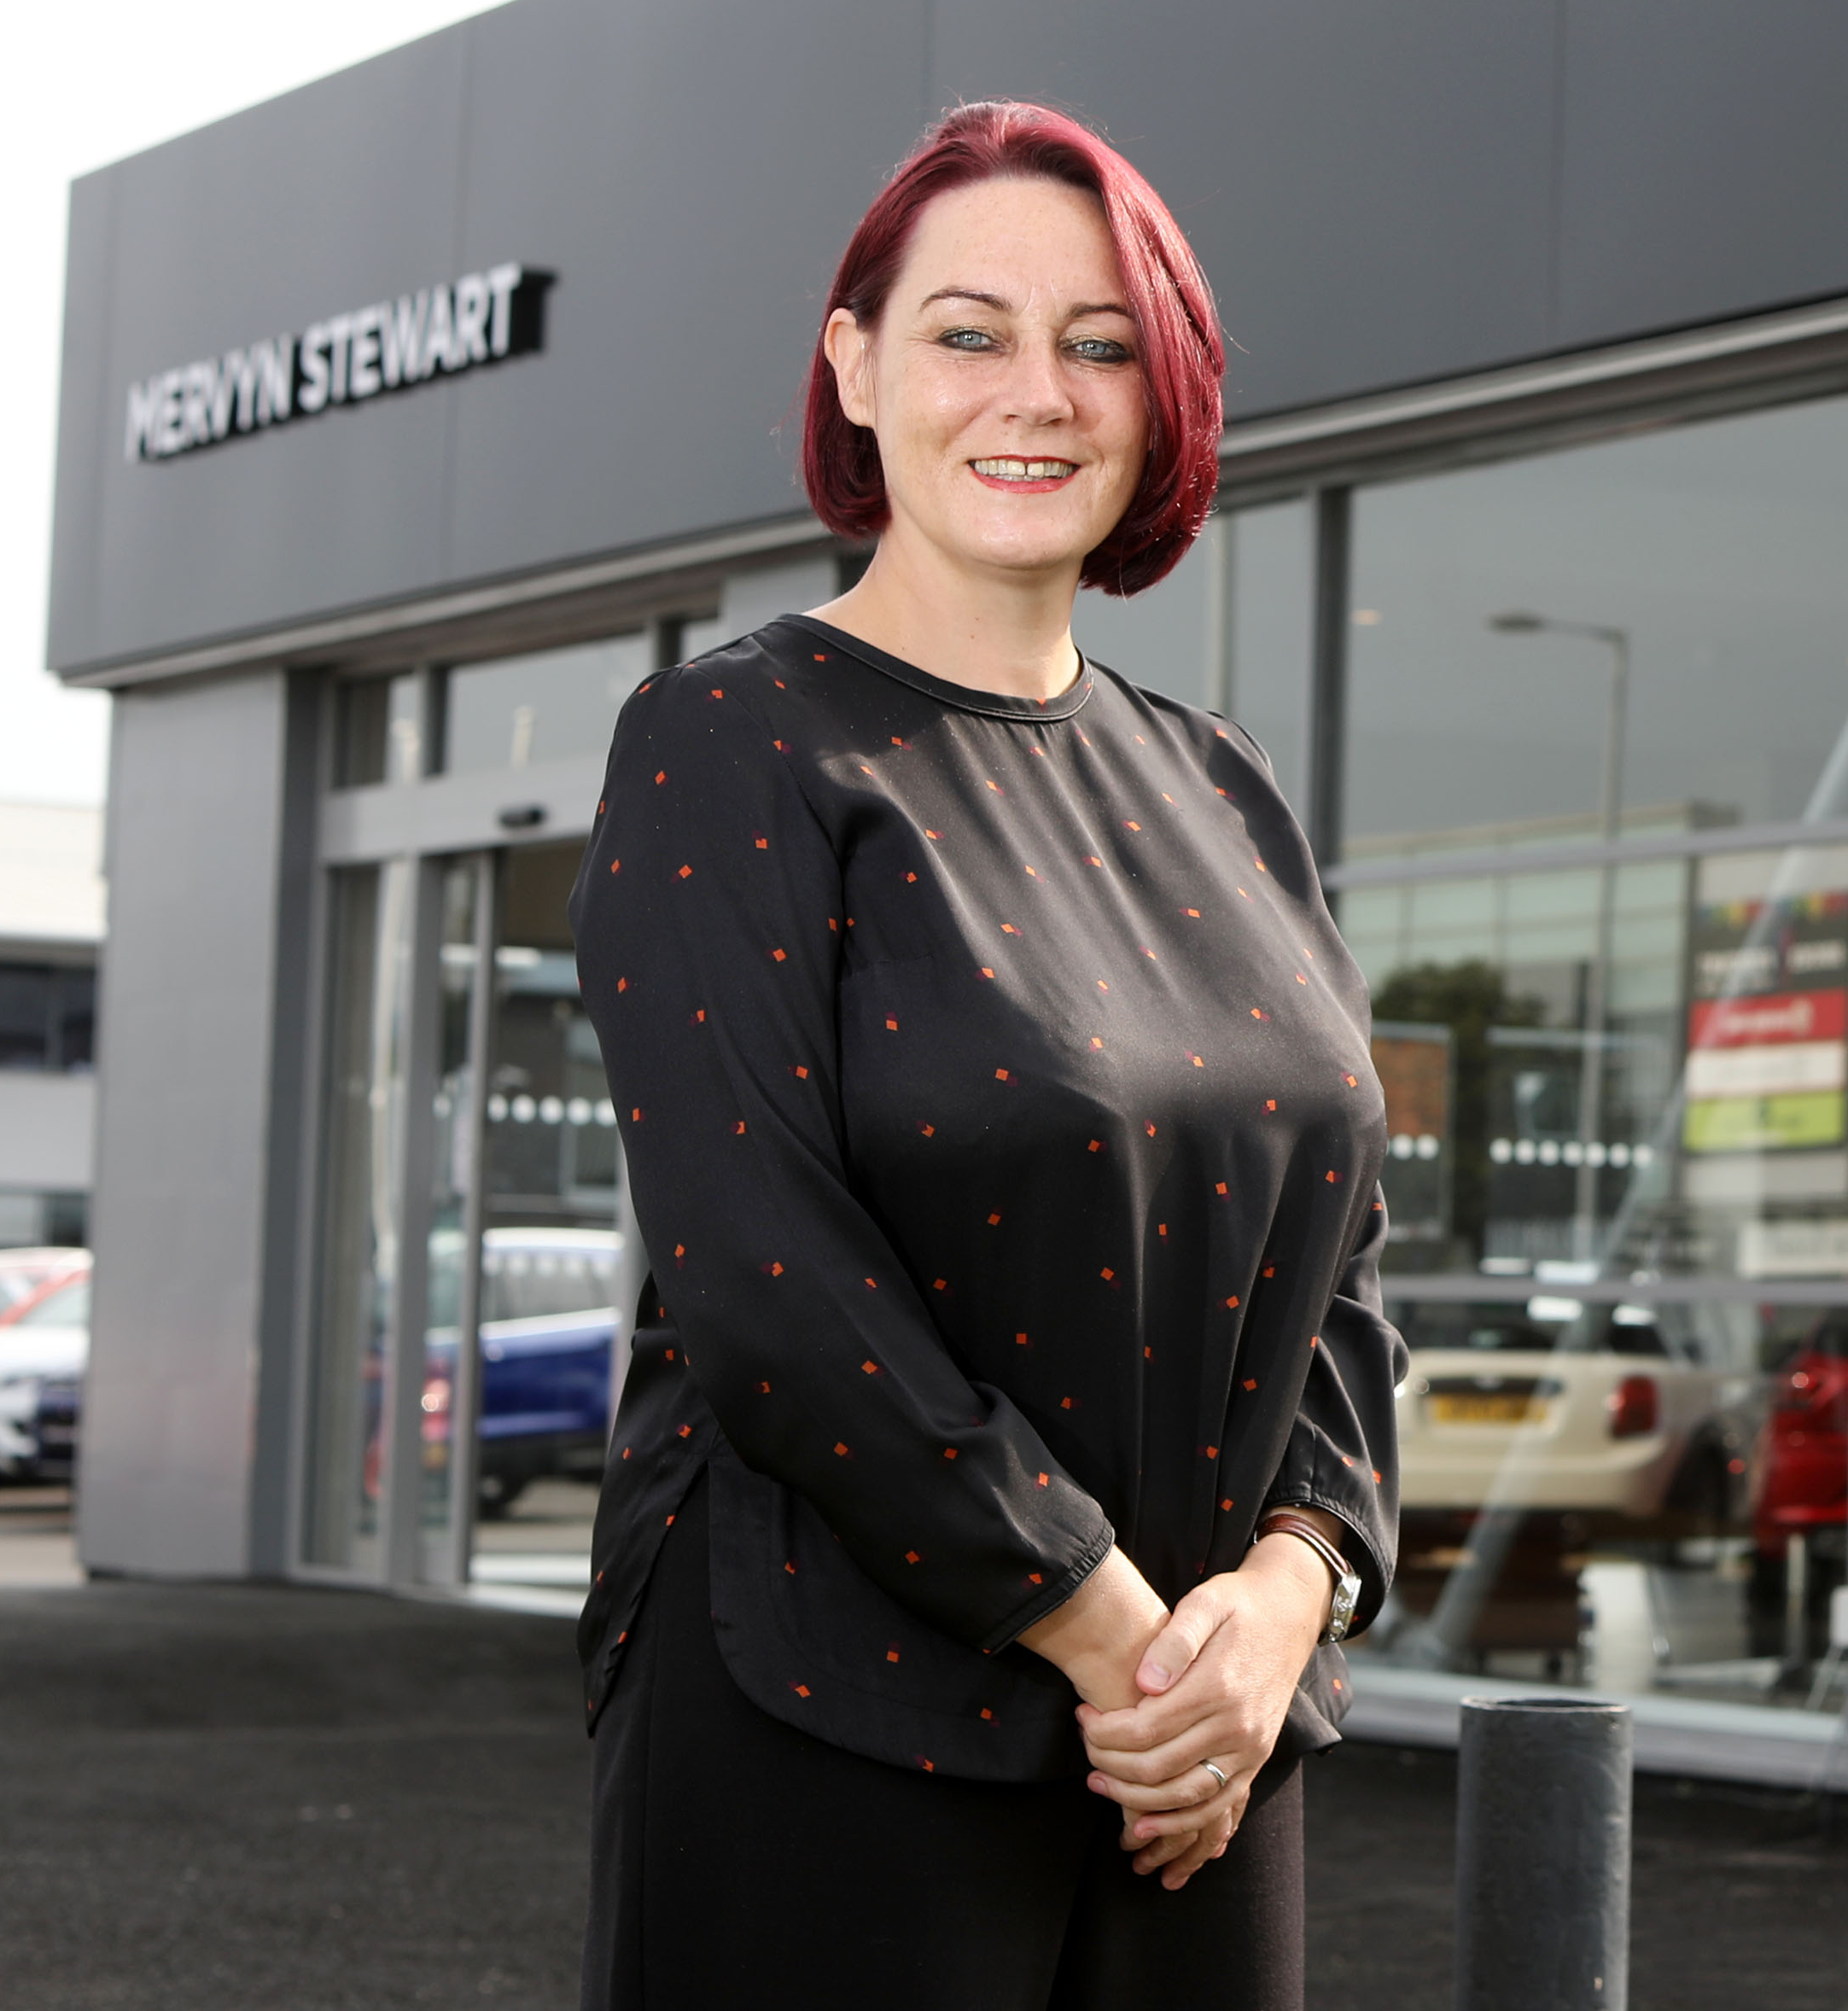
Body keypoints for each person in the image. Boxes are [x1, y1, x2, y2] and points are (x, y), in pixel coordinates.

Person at [574, 102, 1396, 2009]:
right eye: (969, 330)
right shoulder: (729, 744)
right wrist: (1112, 1635)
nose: (1038, 393)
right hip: (836, 1712)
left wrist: (1286, 1599)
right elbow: (765, 1275)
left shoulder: (1218, 780)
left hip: (1198, 1738)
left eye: (1100, 343)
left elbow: (1340, 1260)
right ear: (853, 365)